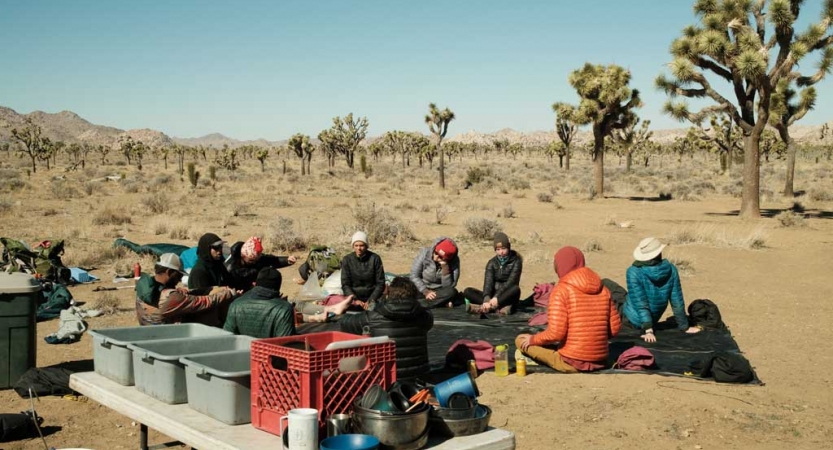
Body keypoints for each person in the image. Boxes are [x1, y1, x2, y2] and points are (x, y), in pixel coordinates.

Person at [516, 246, 621, 372]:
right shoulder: (604, 289)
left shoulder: (561, 290)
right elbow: (614, 329)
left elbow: (556, 333)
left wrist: (533, 339)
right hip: (601, 361)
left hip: (571, 362)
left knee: (521, 340)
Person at [340, 277, 434, 379]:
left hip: (386, 377)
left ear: (389, 294)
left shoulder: (372, 316)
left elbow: (345, 323)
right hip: (419, 375)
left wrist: (343, 309)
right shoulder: (424, 316)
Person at [622, 237, 701, 343]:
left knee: (609, 286)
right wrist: (684, 326)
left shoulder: (633, 272)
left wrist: (648, 330)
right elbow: (677, 301)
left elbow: (640, 303)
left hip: (632, 320)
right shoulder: (672, 269)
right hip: (651, 320)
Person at [135, 253, 236, 326]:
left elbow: (182, 294)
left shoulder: (147, 288)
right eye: (178, 275)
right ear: (169, 272)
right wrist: (229, 293)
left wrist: (207, 289)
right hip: (170, 335)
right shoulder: (170, 297)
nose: (179, 279)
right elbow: (204, 302)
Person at [223, 268, 296, 338]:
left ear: (256, 283)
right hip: (268, 350)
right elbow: (285, 343)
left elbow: (227, 336)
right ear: (278, 286)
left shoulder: (236, 304)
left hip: (241, 349)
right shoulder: (284, 309)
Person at [464, 232, 522, 314]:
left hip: (505, 296)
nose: (501, 252)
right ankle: (496, 308)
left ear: (508, 248)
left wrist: (496, 298)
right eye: (498, 249)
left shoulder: (516, 261)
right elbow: (488, 283)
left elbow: (511, 282)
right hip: (492, 297)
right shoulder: (492, 263)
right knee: (468, 291)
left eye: (503, 248)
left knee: (515, 289)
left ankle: (482, 308)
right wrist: (487, 299)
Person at [226, 236, 297, 291]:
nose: (254, 262)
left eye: (256, 260)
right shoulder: (230, 267)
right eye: (251, 260)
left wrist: (286, 260)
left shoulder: (256, 259)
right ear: (243, 255)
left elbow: (271, 260)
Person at [409, 237, 461, 308]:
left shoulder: (454, 262)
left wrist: (445, 268)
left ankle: (418, 305)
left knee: (452, 292)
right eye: (436, 253)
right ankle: (440, 302)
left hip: (438, 291)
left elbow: (449, 287)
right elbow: (414, 275)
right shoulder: (425, 253)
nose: (436, 257)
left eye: (441, 257)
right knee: (406, 285)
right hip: (421, 287)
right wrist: (425, 291)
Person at [340, 231, 385, 310]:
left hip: (372, 297)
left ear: (366, 246)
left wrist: (371, 300)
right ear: (353, 246)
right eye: (356, 245)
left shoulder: (375, 259)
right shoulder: (347, 260)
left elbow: (380, 283)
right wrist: (355, 300)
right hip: (354, 298)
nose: (359, 248)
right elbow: (345, 284)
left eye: (361, 245)